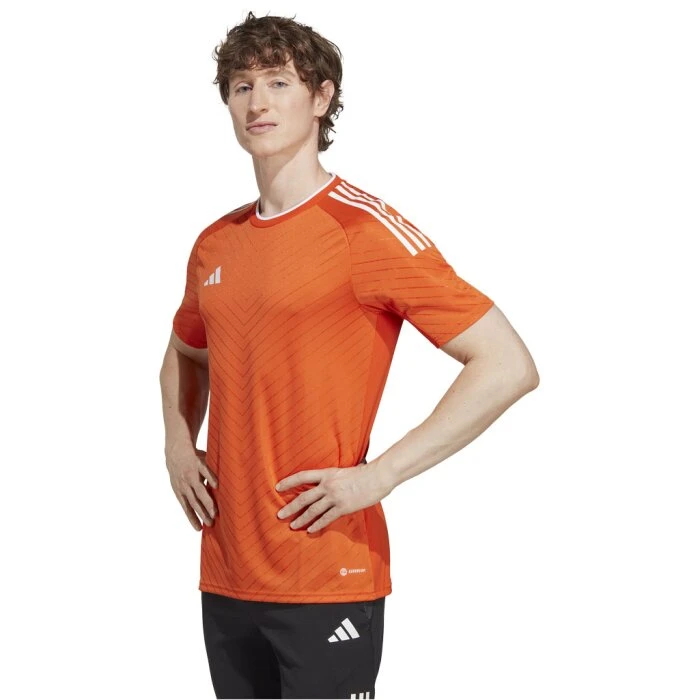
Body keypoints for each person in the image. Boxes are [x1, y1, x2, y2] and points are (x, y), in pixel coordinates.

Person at [160, 10, 539, 699]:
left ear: (322, 97)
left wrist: (380, 476)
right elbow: (186, 354)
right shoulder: (216, 242)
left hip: (327, 571)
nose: (258, 101)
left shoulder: (363, 231)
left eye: (279, 82)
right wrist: (178, 445)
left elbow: (507, 364)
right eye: (242, 86)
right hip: (227, 568)